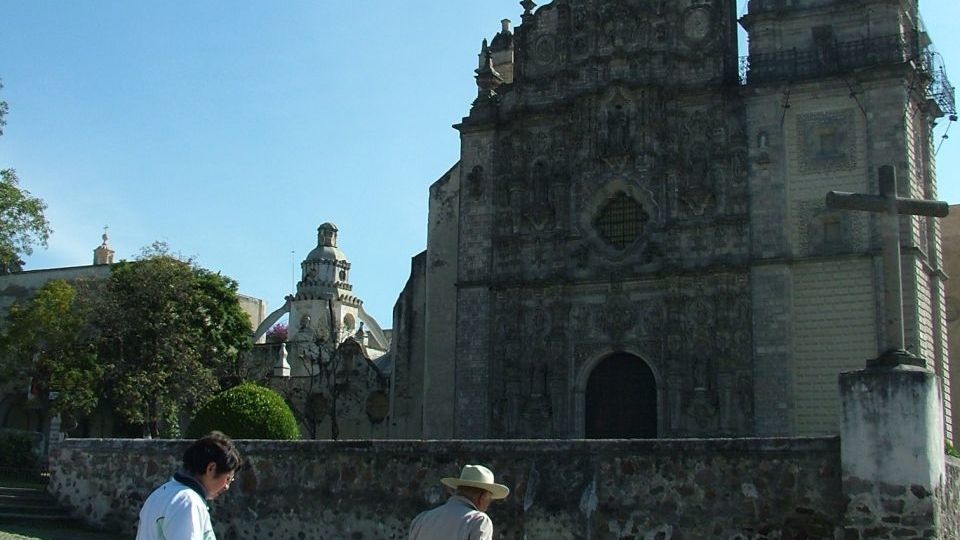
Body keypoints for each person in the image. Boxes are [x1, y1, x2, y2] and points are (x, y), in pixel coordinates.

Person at [136, 431, 242, 540]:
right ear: (211, 468)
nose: (226, 486)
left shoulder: (159, 494)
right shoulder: (188, 502)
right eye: (228, 479)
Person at [409, 464, 510, 540]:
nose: (487, 506)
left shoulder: (422, 519)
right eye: (489, 500)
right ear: (482, 498)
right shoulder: (479, 521)